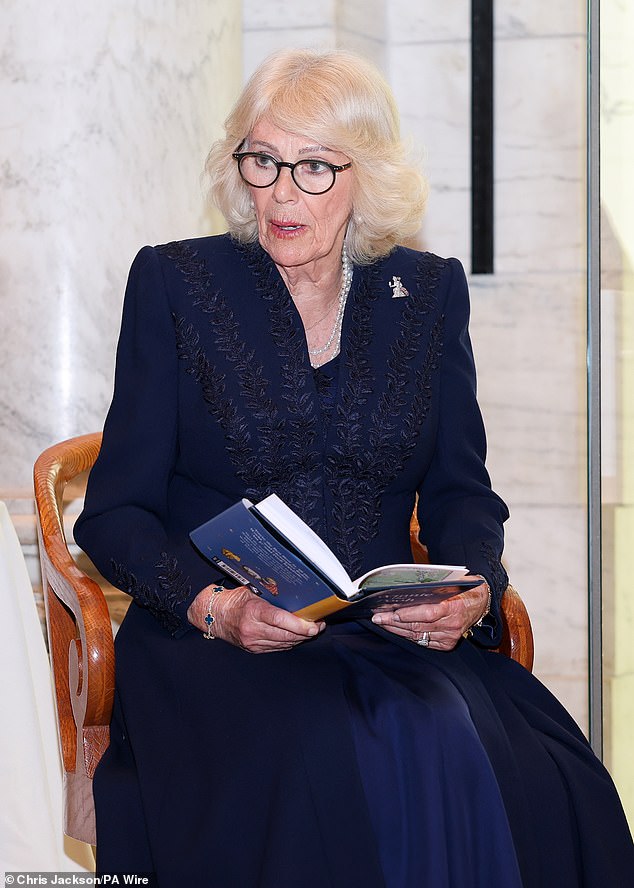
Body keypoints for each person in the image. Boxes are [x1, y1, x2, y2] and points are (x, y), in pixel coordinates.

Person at [74, 48, 634, 887]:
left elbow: (461, 491)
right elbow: (114, 514)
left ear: (365, 176)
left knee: (538, 772)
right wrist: (215, 608)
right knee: (324, 755)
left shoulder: (427, 292)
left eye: (314, 167)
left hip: (387, 637)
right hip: (218, 646)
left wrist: (471, 590)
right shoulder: (176, 282)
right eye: (262, 161)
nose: (280, 194)